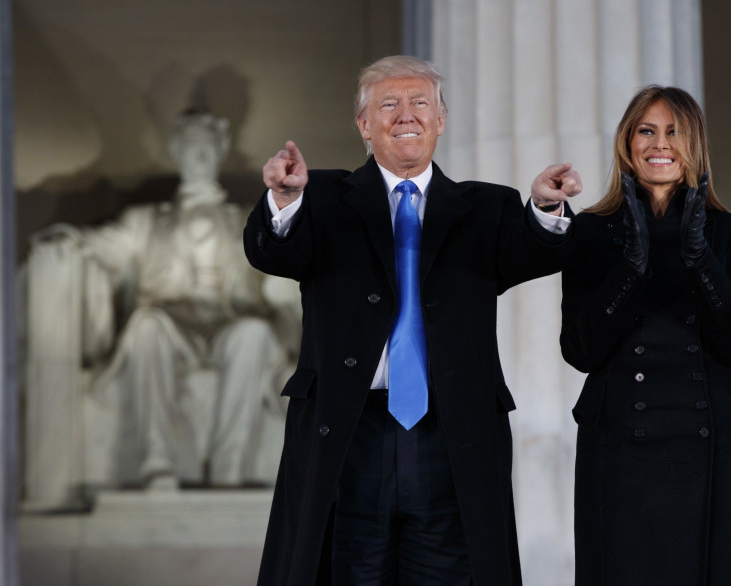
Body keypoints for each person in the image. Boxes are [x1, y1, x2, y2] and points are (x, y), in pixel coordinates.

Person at [244, 55, 582, 585]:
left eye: (420, 102)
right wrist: (284, 199)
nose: (407, 115)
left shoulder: (487, 207)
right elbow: (276, 254)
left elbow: (533, 254)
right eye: (389, 104)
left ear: (441, 120)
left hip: (452, 440)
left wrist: (542, 209)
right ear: (364, 125)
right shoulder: (325, 199)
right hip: (351, 435)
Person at [29, 108, 296, 490]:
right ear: (177, 152)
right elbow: (103, 245)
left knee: (255, 334)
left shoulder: (248, 220)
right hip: (170, 321)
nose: (199, 156)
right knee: (146, 325)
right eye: (191, 148)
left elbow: (288, 257)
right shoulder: (146, 220)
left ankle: (229, 467)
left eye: (206, 148)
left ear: (220, 152)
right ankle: (158, 462)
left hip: (230, 320)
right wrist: (67, 240)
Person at [560, 86, 731, 585]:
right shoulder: (589, 232)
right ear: (628, 142)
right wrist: (631, 264)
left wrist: (699, 257)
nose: (659, 144)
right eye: (645, 131)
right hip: (621, 446)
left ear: (694, 142)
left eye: (673, 131)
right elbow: (579, 351)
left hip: (712, 445)